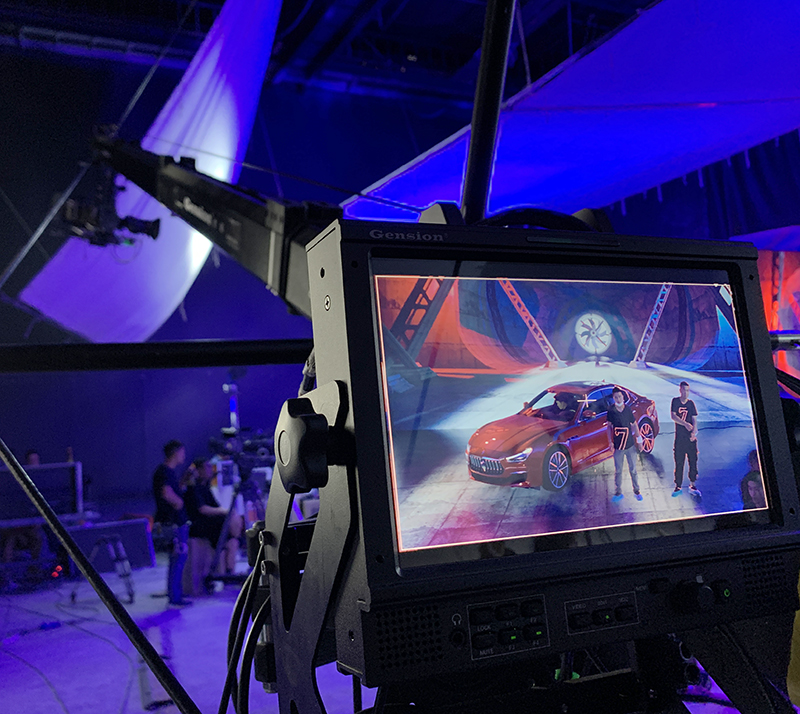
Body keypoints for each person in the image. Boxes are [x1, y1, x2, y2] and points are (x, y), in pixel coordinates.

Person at [183, 457, 243, 579]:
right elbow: (202, 509)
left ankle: (229, 572)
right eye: (207, 467)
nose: (211, 470)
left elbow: (215, 507)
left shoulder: (206, 488)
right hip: (201, 525)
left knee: (233, 542)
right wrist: (224, 511)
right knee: (231, 524)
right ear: (199, 470)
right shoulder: (194, 489)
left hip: (212, 523)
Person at [152, 440, 190, 606]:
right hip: (172, 522)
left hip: (171, 521)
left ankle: (175, 592)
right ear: (175, 453)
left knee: (177, 558)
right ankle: (175, 596)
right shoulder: (164, 472)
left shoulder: (168, 472)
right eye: (182, 452)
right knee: (177, 557)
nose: (184, 455)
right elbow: (166, 492)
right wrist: (178, 503)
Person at [606, 387, 642, 502]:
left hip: (630, 445)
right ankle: (618, 491)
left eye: (620, 396)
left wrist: (639, 440)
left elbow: (634, 424)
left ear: (623, 397)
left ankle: (636, 490)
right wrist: (610, 442)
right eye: (616, 397)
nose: (618, 399)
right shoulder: (611, 410)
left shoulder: (627, 409)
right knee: (618, 470)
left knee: (633, 469)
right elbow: (609, 427)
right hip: (618, 447)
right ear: (613, 398)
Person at [671, 381, 700, 497]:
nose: (686, 393)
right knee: (679, 462)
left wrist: (694, 432)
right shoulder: (675, 401)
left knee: (693, 461)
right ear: (680, 390)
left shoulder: (691, 404)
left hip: (690, 439)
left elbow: (694, 419)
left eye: (687, 390)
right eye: (684, 390)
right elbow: (673, 416)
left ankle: (692, 485)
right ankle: (678, 486)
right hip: (680, 438)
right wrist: (685, 424)